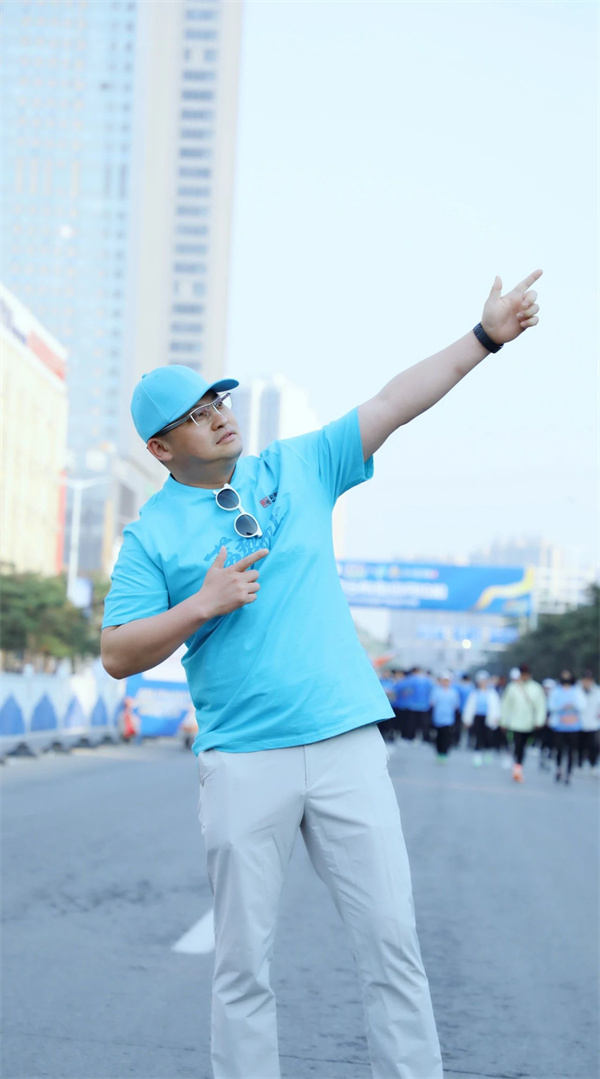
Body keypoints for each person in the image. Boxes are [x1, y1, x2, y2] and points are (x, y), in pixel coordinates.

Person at [101, 269, 541, 1079]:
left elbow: (394, 401)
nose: (219, 415)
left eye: (218, 400)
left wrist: (484, 338)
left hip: (345, 744)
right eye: (195, 415)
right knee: (243, 965)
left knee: (392, 945)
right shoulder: (151, 534)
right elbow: (118, 651)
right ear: (161, 449)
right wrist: (200, 605)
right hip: (243, 758)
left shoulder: (297, 465)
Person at [499, 664, 546, 782]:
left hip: (529, 723)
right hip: (515, 723)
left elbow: (541, 706)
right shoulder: (512, 687)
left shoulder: (536, 688)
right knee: (517, 745)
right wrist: (503, 721)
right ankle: (517, 767)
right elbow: (506, 705)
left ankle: (518, 765)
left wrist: (539, 721)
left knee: (523, 746)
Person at [548, 670, 586, 785]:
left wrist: (572, 706)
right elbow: (551, 705)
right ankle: (559, 768)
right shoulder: (556, 691)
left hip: (574, 727)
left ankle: (569, 773)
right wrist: (562, 707)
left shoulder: (577, 691)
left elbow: (583, 705)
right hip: (559, 726)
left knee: (571, 751)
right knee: (559, 749)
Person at [462, 670, 501, 766]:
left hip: (489, 718)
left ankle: (487, 751)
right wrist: (467, 720)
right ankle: (477, 755)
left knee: (488, 736)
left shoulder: (492, 693)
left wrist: (496, 718)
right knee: (478, 736)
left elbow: (496, 707)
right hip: (478, 717)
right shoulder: (474, 693)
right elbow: (469, 707)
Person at [429, 673, 460, 762]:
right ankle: (439, 752)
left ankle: (444, 753)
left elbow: (456, 706)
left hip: (449, 718)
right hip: (438, 718)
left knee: (447, 736)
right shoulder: (436, 691)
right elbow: (432, 703)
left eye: (447, 681)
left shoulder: (453, 693)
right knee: (439, 736)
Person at [577, 670, 600, 775]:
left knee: (593, 746)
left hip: (593, 723)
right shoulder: (576, 690)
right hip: (579, 723)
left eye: (589, 680)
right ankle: (579, 764)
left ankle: (593, 765)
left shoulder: (597, 691)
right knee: (580, 745)